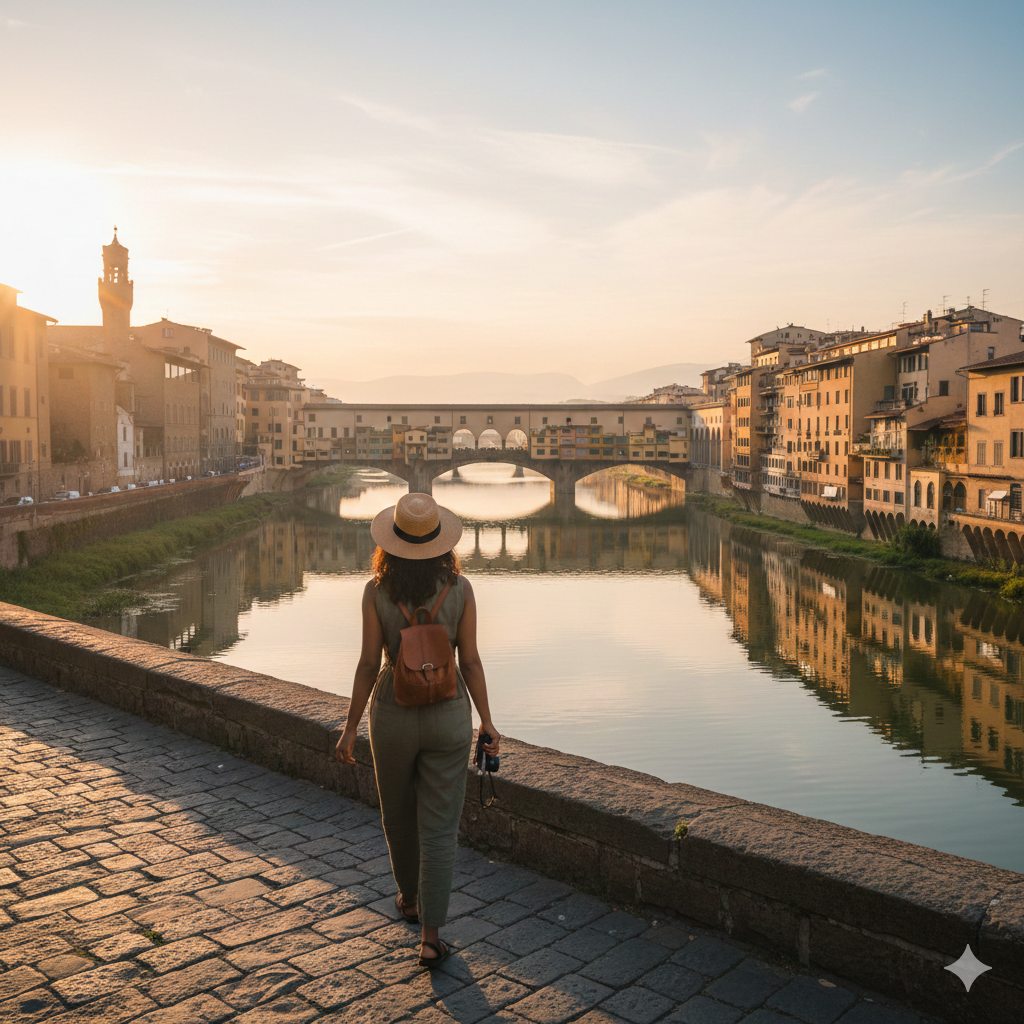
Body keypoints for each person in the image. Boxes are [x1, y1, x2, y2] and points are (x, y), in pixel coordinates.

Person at [334, 492, 500, 968]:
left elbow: (369, 663)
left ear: (391, 543)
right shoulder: (462, 589)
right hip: (449, 713)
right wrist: (486, 720)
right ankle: (430, 937)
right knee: (440, 829)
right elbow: (469, 660)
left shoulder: (375, 592)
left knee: (398, 816)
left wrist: (349, 729)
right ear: (442, 544)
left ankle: (408, 898)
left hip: (392, 711)